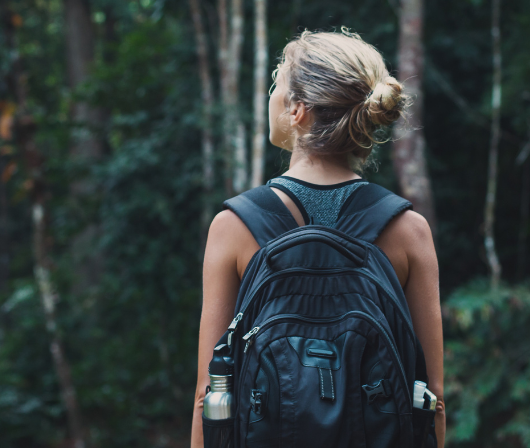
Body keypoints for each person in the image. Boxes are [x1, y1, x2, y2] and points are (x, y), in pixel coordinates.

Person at [191, 29, 446, 448]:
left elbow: (210, 393)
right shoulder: (408, 231)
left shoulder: (234, 227)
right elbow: (431, 395)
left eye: (278, 82)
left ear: (298, 110)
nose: (271, 93)